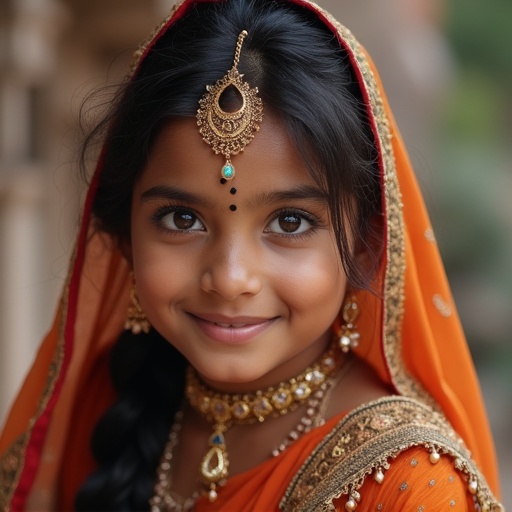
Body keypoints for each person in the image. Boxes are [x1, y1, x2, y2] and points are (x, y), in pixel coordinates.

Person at [0, 0, 504, 510]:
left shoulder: (406, 480)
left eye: (290, 222)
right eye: (182, 219)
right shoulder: (103, 404)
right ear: (126, 236)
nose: (230, 278)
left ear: (365, 242)